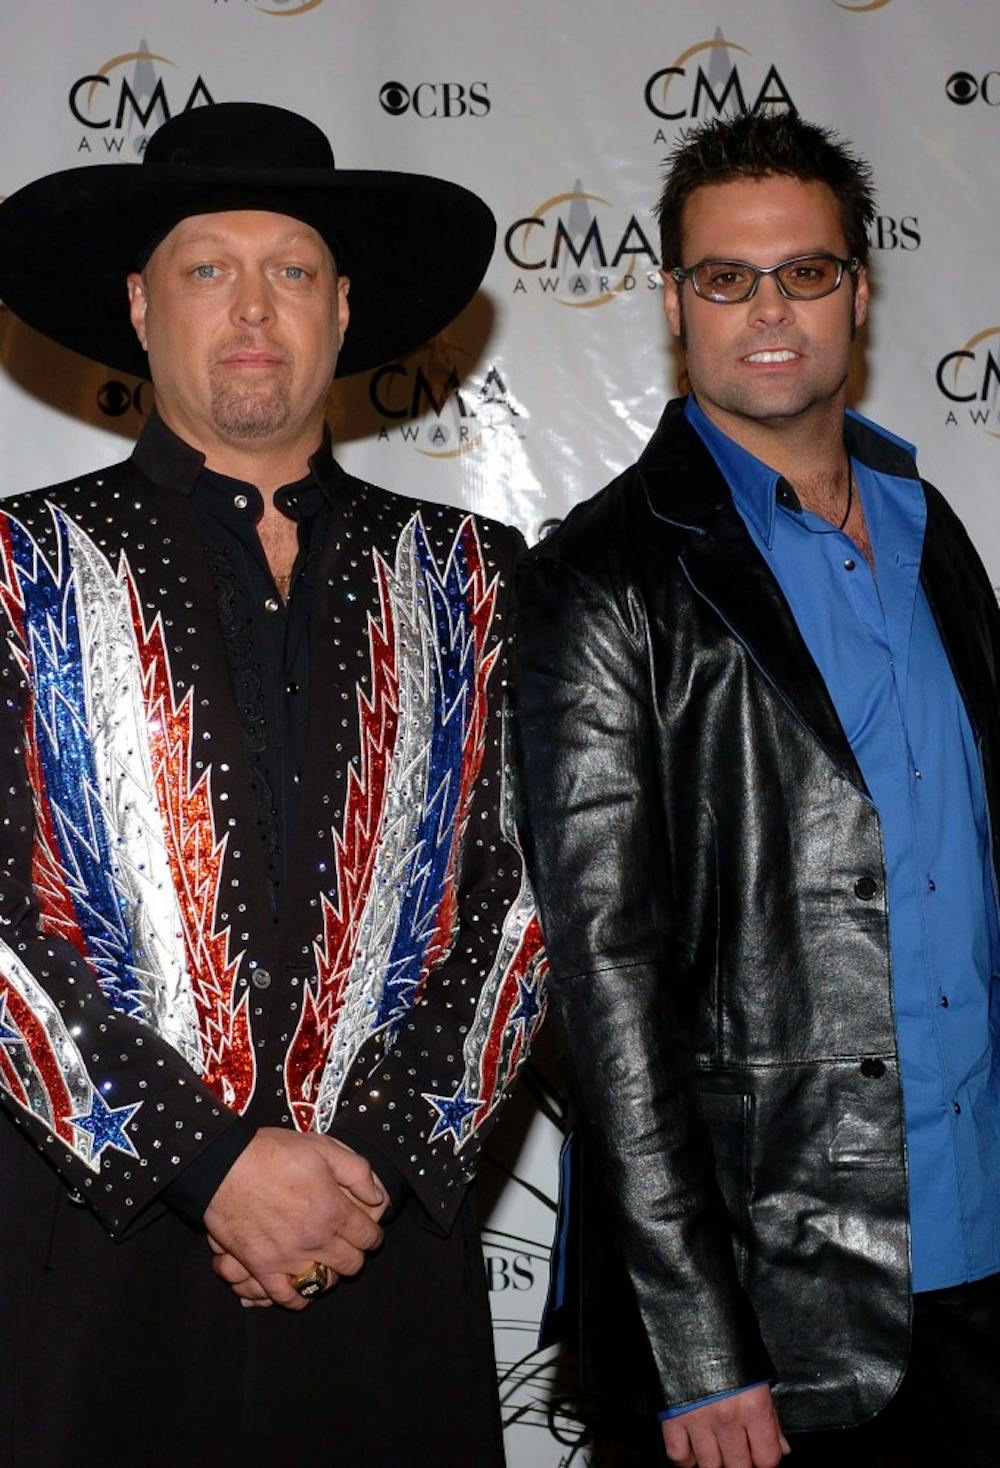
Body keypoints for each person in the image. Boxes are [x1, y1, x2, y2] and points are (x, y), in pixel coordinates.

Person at [0, 101, 546, 1468]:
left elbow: (531, 900)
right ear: (140, 306)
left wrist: (355, 1181)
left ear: (343, 308)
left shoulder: (475, 577)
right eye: (208, 268)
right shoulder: (14, 565)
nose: (253, 308)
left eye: (292, 269)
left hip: (385, 1254)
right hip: (89, 1263)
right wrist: (211, 1166)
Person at [514, 109, 1000, 1468]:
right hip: (777, 1314)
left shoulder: (931, 527)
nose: (769, 309)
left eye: (806, 271)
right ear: (675, 301)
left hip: (983, 1259)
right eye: (728, 277)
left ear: (859, 290)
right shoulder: (600, 577)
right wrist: (695, 1345)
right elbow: (599, 989)